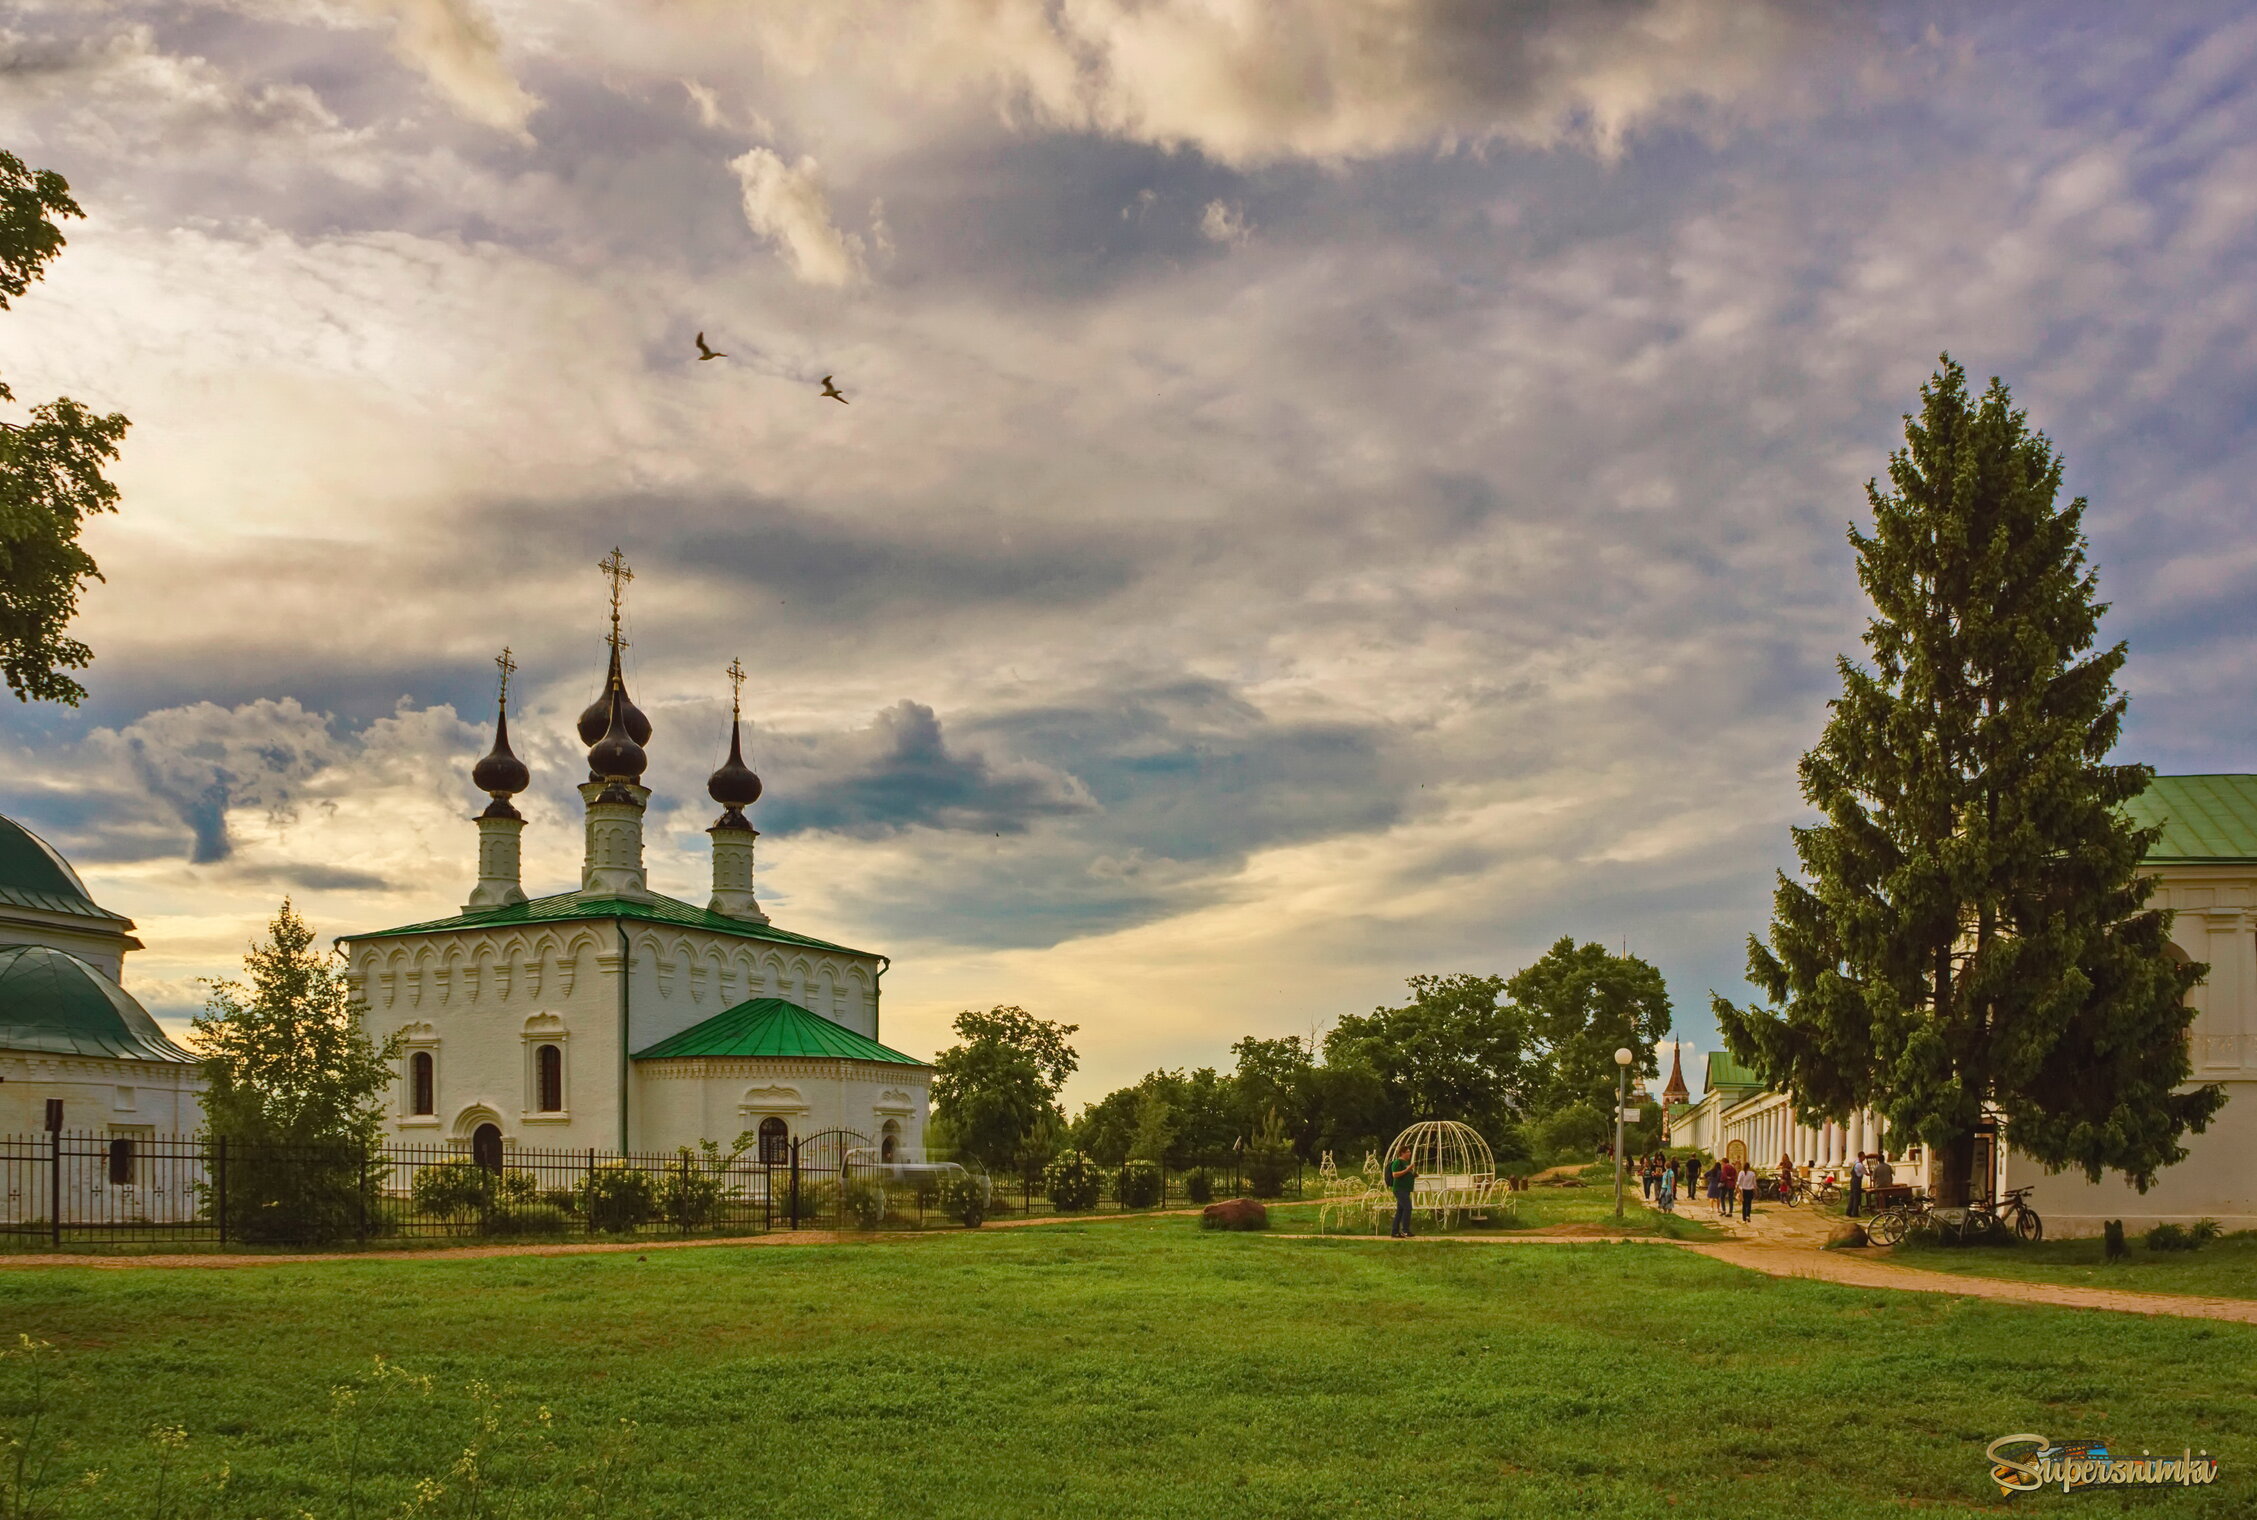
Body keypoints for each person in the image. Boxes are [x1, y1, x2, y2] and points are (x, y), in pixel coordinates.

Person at [1384, 1144, 1418, 1239]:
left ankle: (1394, 1231)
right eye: (1408, 1152)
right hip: (1400, 1189)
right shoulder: (1397, 1162)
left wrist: (1413, 1174)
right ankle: (1405, 1230)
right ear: (1402, 1153)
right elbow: (1395, 1174)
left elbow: (1406, 1174)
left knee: (1400, 1210)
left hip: (1406, 1190)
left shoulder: (1406, 1163)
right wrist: (1407, 1170)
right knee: (1408, 1207)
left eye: (1410, 1151)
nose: (1410, 1153)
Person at [1847, 1152, 1867, 1219]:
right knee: (1856, 1197)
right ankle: (1855, 1213)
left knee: (1852, 1197)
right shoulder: (1859, 1165)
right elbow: (1866, 1173)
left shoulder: (1855, 1162)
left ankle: (1849, 1212)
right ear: (1860, 1156)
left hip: (1853, 1181)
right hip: (1856, 1181)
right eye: (1863, 1156)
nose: (1864, 1158)